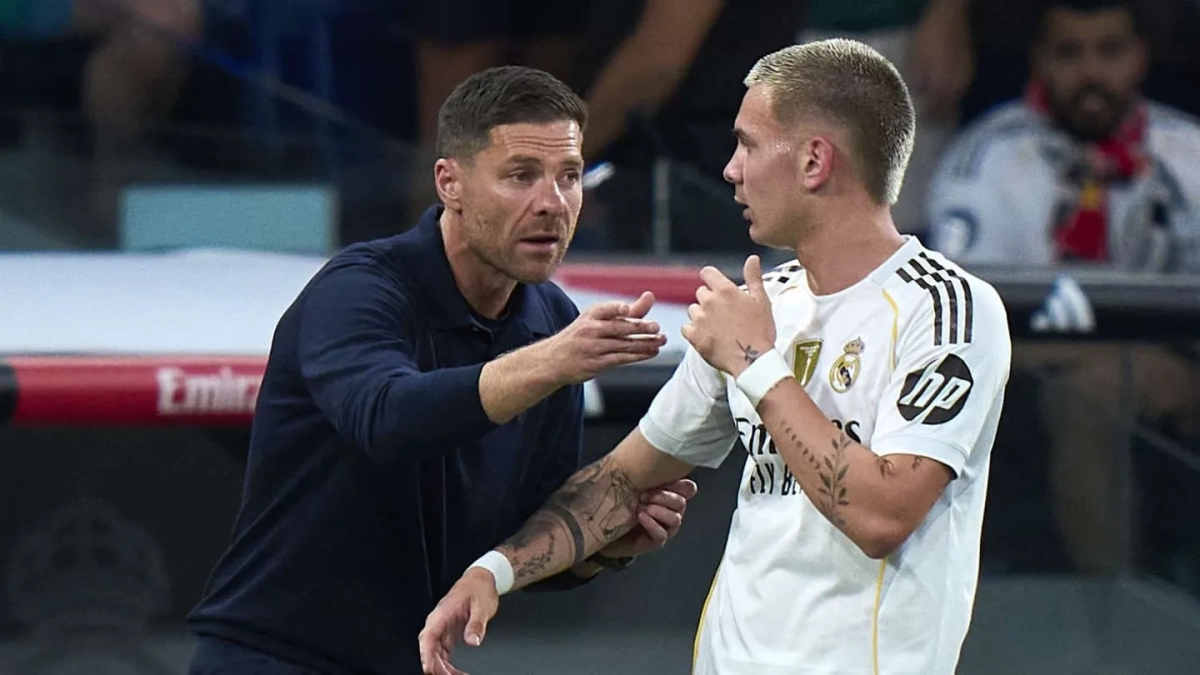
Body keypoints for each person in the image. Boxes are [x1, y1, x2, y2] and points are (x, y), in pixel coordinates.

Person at [420, 40, 1012, 675]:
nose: (731, 169)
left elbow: (881, 515)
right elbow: (624, 478)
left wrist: (756, 362)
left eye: (748, 145)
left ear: (814, 161)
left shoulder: (947, 309)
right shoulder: (757, 306)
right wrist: (494, 570)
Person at [185, 65, 697, 675]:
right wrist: (552, 360)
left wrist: (601, 546)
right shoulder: (359, 288)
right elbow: (385, 418)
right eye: (521, 176)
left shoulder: (553, 320)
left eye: (569, 176)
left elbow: (518, 529)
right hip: (272, 657)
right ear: (449, 183)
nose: (552, 203)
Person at [928, 0, 1200, 590]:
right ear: (1039, 61)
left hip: (1183, 365)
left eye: (1110, 51)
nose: (1091, 73)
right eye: (1070, 53)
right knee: (1095, 386)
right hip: (1024, 386)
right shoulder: (986, 161)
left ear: (1140, 57)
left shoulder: (1190, 152)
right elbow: (955, 327)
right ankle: (1115, 609)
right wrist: (1118, 359)